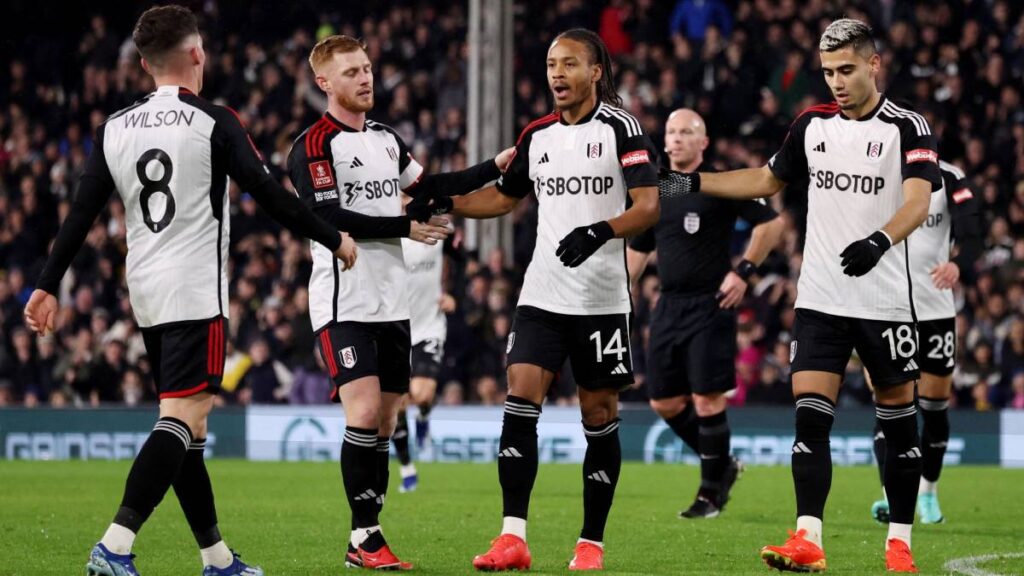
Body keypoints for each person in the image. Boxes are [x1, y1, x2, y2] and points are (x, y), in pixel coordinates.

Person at [23, 6, 357, 576]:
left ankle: (217, 558)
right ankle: (115, 544)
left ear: (146, 65)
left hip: (146, 293)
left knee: (189, 428)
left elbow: (81, 213)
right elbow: (271, 196)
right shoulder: (214, 121)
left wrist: (47, 283)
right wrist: (333, 238)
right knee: (181, 418)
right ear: (197, 54)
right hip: (196, 290)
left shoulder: (115, 128)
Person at [660, 18, 940, 573]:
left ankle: (900, 545)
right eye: (829, 71)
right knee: (811, 420)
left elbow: (918, 201)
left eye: (846, 69)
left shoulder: (907, 126)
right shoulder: (812, 125)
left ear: (873, 64)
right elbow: (765, 181)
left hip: (885, 302)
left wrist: (880, 240)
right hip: (820, 299)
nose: (836, 81)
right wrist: (693, 182)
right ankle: (808, 538)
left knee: (900, 424)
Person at [429, 28, 660, 571]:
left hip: (602, 300)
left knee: (598, 414)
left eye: (569, 64)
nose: (557, 74)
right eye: (552, 63)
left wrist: (601, 231)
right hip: (543, 294)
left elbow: (649, 205)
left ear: (596, 71)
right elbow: (504, 198)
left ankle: (590, 543)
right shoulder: (536, 135)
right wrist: (451, 204)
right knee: (520, 394)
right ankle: (513, 536)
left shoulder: (621, 129)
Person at [289, 35, 512, 571]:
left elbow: (429, 187)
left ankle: (365, 537)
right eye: (351, 73)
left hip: (395, 307)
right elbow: (330, 219)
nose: (365, 79)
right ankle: (365, 536)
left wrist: (493, 166)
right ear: (325, 83)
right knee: (363, 414)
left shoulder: (387, 139)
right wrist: (406, 226)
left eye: (367, 69)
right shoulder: (313, 146)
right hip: (344, 304)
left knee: (386, 425)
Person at [626, 108, 784, 519]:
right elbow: (640, 247)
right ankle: (723, 464)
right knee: (662, 401)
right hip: (668, 304)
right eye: (672, 132)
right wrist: (617, 289)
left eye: (686, 132)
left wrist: (744, 271)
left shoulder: (721, 183)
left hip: (711, 304)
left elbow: (771, 224)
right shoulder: (657, 188)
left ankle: (710, 494)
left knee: (707, 399)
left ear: (703, 142)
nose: (676, 138)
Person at [870, 159, 982, 525]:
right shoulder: (875, 171)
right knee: (888, 403)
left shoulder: (949, 177)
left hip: (935, 308)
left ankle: (928, 492)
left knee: (934, 407)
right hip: (887, 307)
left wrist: (959, 262)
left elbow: (971, 228)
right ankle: (890, 495)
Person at [392, 234, 456, 491]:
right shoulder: (390, 236)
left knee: (421, 393)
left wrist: (452, 293)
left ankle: (424, 414)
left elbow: (465, 262)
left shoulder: (439, 234)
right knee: (396, 402)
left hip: (429, 326)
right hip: (397, 329)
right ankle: (407, 470)